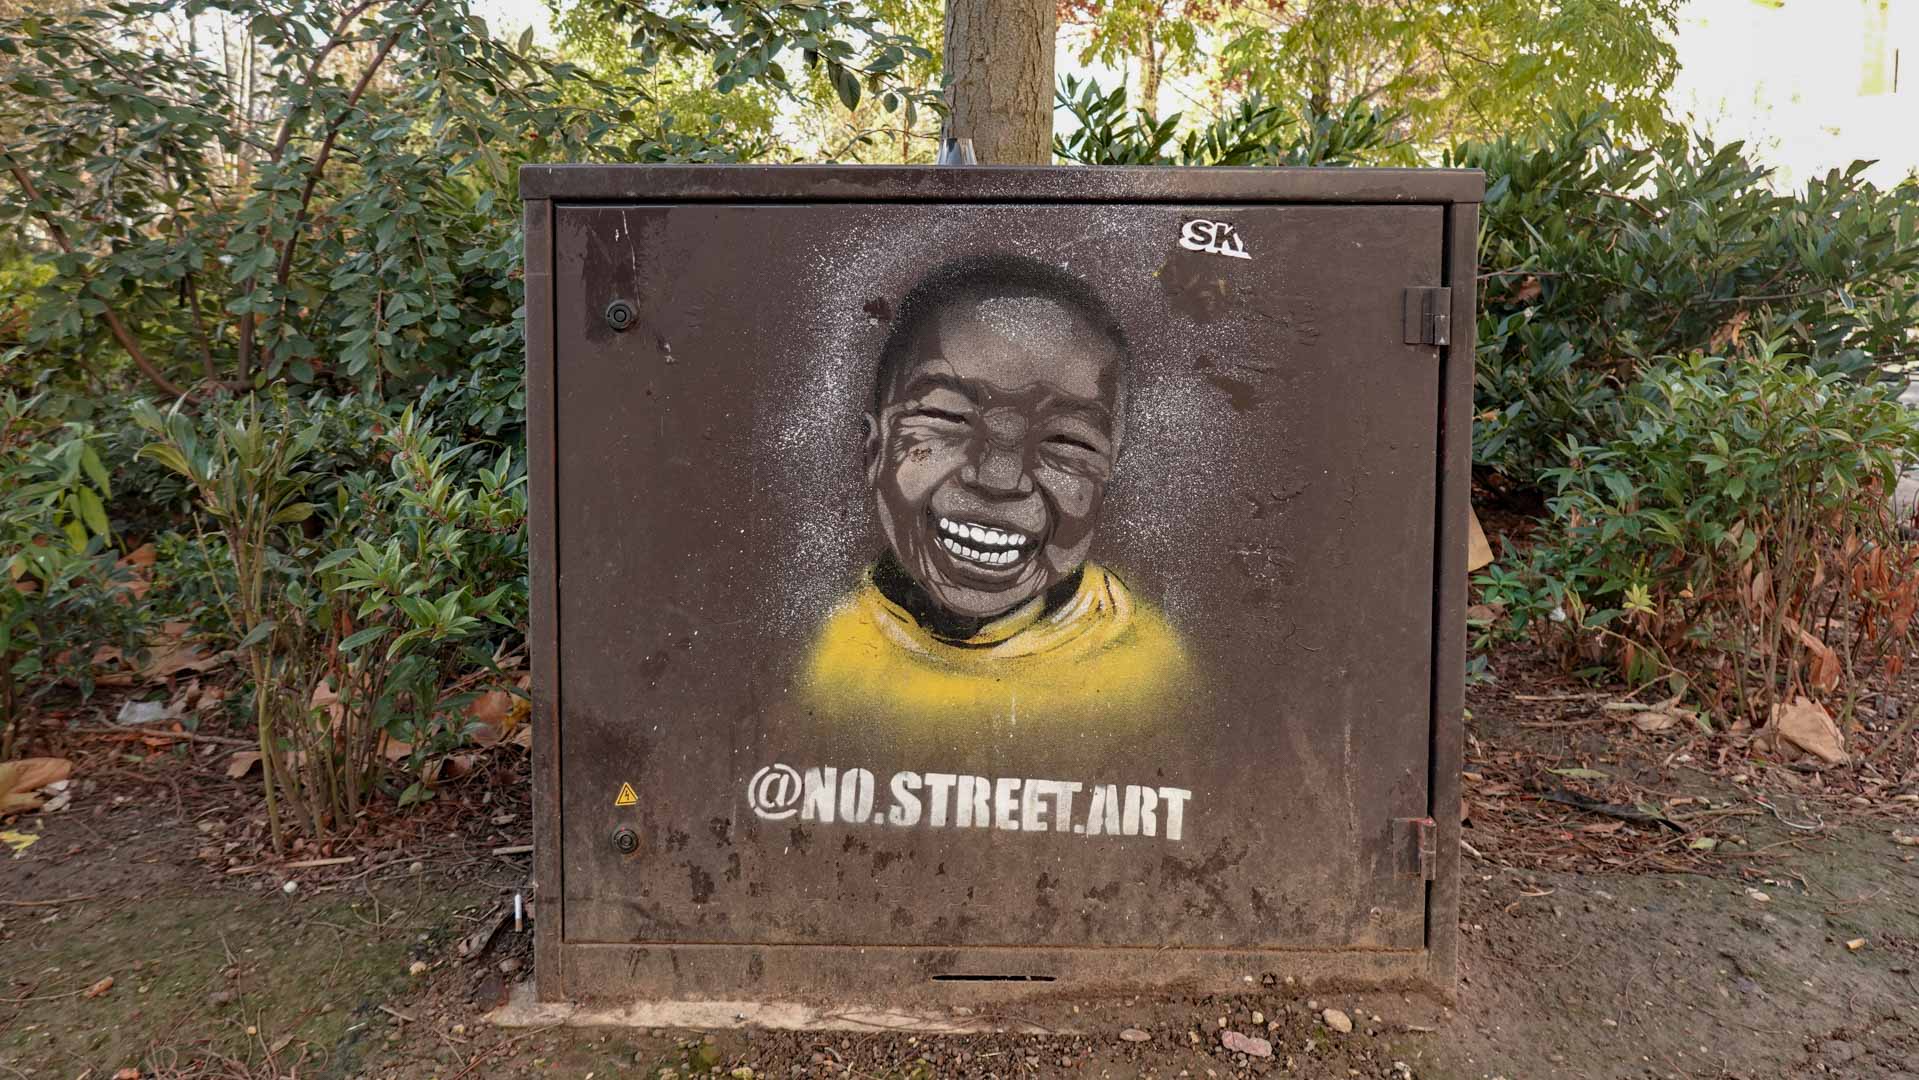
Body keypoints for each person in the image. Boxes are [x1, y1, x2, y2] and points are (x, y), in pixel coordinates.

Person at [802, 253, 1188, 725]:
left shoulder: (1153, 674)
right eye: (949, 418)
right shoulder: (816, 650)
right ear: (875, 451)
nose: (998, 477)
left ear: (1106, 484)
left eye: (1066, 441)